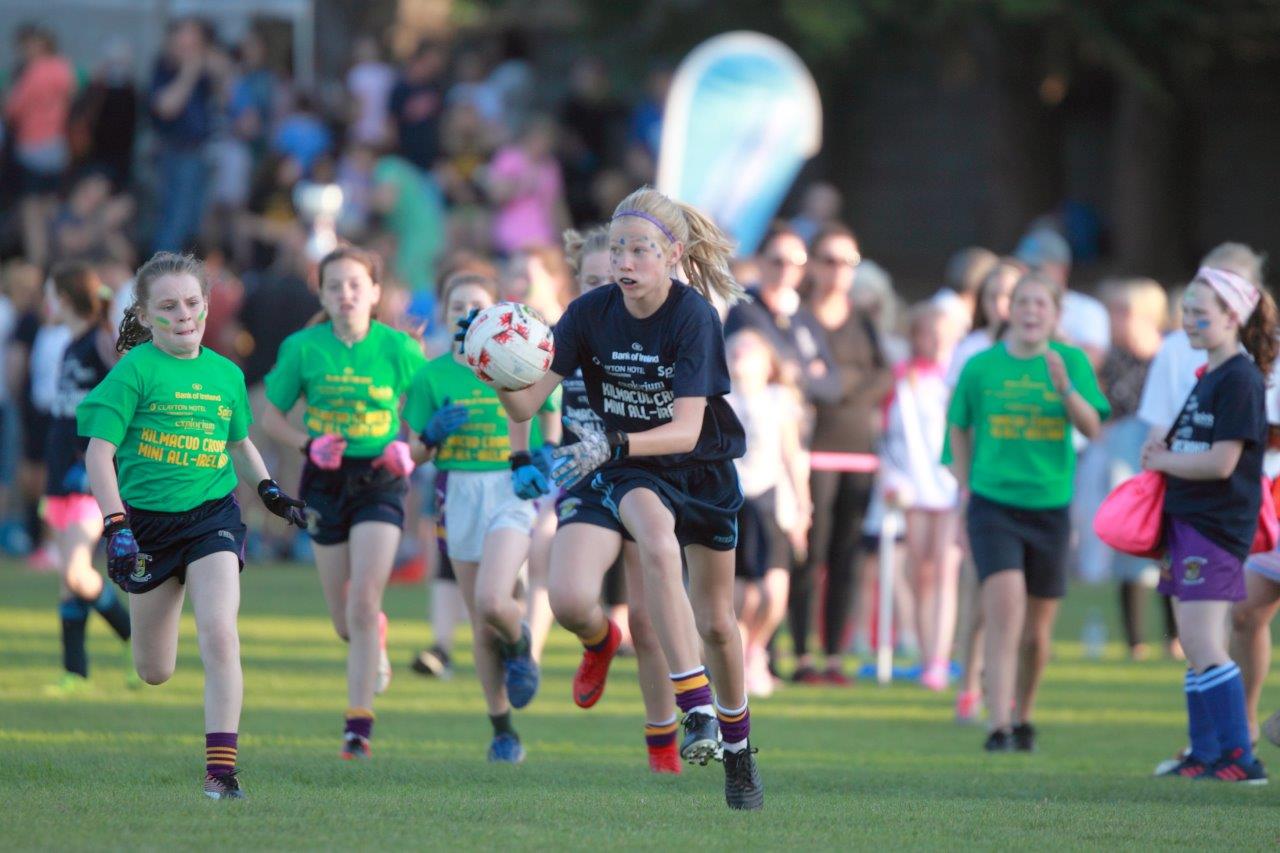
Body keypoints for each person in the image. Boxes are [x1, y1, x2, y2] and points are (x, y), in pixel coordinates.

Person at [490, 186, 764, 810]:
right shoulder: (589, 313)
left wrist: (611, 441)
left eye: (640, 249)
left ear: (672, 253)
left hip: (700, 470)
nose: (625, 262)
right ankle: (694, 705)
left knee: (719, 625)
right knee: (650, 528)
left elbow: (688, 431)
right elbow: (528, 404)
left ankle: (739, 750)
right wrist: (497, 368)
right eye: (618, 249)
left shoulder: (694, 316)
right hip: (629, 469)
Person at [77, 251, 307, 800]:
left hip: (213, 518)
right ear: (146, 313)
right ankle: (161, 599)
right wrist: (116, 526)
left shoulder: (226, 373)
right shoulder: (134, 371)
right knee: (154, 669)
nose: (184, 315)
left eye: (193, 303)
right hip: (147, 530)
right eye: (169, 306)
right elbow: (97, 455)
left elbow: (239, 442)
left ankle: (222, 773)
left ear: (208, 306)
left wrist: (269, 492)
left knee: (220, 633)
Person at [260, 246, 427, 760]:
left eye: (356, 284)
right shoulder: (303, 348)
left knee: (362, 601)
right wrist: (307, 444)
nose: (346, 294)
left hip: (379, 479)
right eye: (335, 286)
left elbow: (424, 419)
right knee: (344, 622)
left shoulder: (399, 349)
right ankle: (371, 631)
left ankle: (357, 730)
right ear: (322, 294)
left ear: (375, 292)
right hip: (325, 482)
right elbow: (270, 418)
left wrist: (409, 451)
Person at [530, 224, 684, 773]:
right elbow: (525, 408)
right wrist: (494, 365)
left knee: (649, 619)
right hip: (588, 481)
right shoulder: (560, 335)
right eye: (593, 280)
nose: (607, 288)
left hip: (649, 476)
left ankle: (662, 744)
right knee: (568, 599)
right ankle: (598, 640)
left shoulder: (659, 329)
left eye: (614, 277)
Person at [946, 271, 1109, 752]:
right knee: (1004, 611)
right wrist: (965, 485)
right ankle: (998, 725)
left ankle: (1025, 714)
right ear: (1009, 310)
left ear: (1056, 315)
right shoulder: (981, 367)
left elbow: (1094, 427)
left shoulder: (1072, 362)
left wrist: (1065, 389)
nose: (1032, 311)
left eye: (1042, 304)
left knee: (1037, 634)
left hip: (1050, 508)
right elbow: (957, 426)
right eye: (1023, 302)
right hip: (993, 505)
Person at [404, 270, 559, 764]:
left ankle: (522, 642)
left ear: (494, 314)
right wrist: (428, 437)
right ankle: (502, 730)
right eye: (457, 307)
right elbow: (413, 453)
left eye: (477, 306)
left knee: (495, 600)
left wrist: (547, 452)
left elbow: (548, 406)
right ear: (446, 316)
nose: (466, 313)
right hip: (458, 493)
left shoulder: (515, 358)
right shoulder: (431, 375)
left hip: (510, 488)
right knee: (479, 624)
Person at [1144, 259, 1275, 784]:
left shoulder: (1240, 378)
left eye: (1201, 313)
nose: (1189, 321)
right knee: (1193, 644)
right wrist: (1168, 449)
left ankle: (1241, 758)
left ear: (1233, 318)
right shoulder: (1210, 375)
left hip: (1215, 526)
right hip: (1189, 521)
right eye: (1186, 312)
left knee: (1203, 642)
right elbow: (1199, 445)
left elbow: (1223, 463)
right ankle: (1203, 753)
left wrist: (1163, 461)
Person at [793, 223, 892, 684]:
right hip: (810, 452)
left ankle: (834, 655)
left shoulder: (864, 319)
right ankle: (800, 654)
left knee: (846, 556)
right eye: (830, 260)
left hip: (859, 453)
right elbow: (797, 377)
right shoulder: (797, 319)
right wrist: (839, 383)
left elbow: (883, 376)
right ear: (812, 265)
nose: (838, 271)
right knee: (807, 555)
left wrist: (839, 384)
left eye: (848, 262)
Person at [43, 263, 134, 693]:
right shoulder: (68, 346)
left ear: (65, 298)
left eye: (52, 293)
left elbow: (126, 396)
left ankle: (134, 638)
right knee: (68, 582)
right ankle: (75, 672)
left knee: (79, 573)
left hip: (87, 480)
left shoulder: (100, 341)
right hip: (59, 479)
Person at [725, 328, 810, 698]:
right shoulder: (720, 400)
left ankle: (756, 648)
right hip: (734, 500)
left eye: (750, 350)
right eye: (735, 350)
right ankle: (739, 662)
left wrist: (803, 503)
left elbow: (791, 453)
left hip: (771, 501)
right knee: (742, 594)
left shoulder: (778, 399)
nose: (742, 354)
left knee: (774, 593)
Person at [883, 303, 961, 691]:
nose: (936, 341)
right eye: (929, 333)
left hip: (951, 485)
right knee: (922, 572)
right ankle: (926, 647)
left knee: (946, 569)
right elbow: (888, 433)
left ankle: (939, 659)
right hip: (914, 484)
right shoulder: (901, 379)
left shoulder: (957, 379)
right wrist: (894, 478)